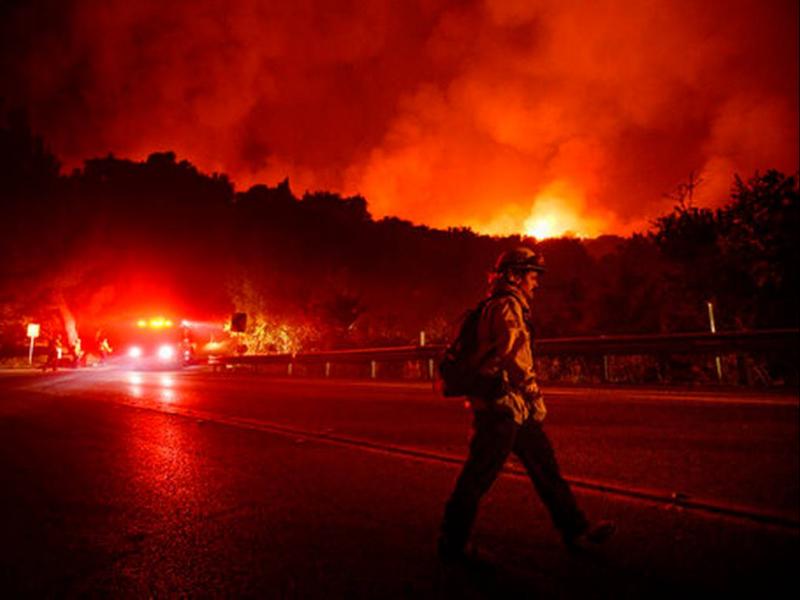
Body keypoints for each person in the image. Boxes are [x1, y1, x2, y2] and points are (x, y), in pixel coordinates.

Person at [438, 246, 615, 563]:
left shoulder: (493, 305)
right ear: (515, 276)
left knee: (546, 469)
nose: (537, 284)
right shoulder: (506, 307)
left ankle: (576, 532)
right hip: (502, 409)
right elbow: (516, 358)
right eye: (533, 276)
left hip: (511, 407)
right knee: (478, 477)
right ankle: (452, 545)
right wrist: (535, 396)